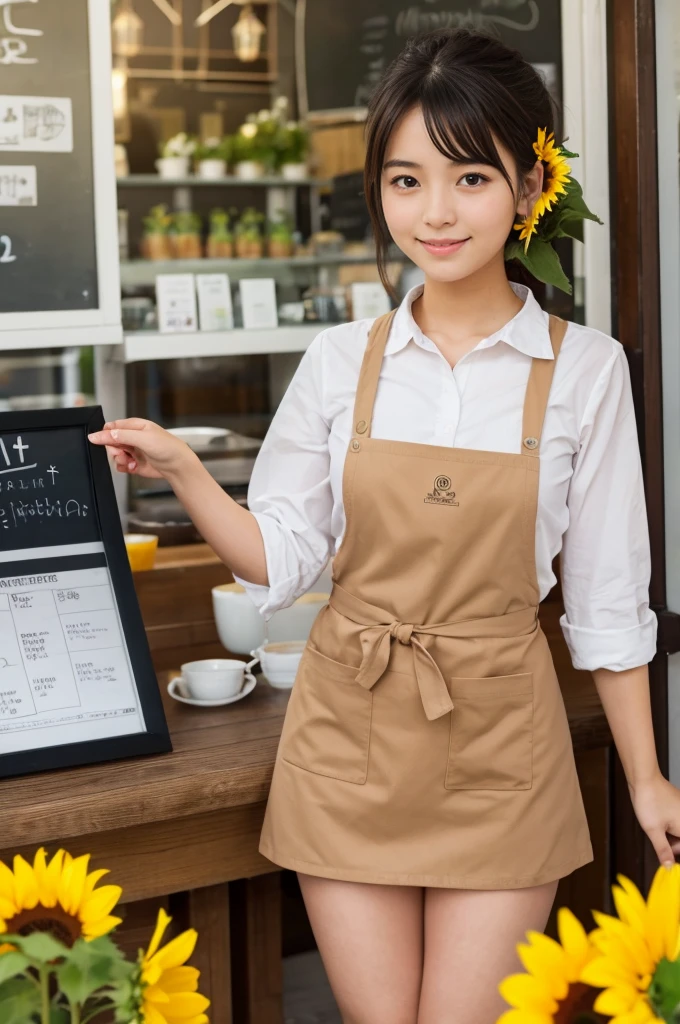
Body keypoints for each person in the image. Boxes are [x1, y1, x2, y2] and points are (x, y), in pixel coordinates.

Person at [89, 27, 680, 1024]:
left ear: (529, 187)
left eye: (468, 178)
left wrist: (645, 777)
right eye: (405, 181)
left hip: (499, 738)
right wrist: (189, 473)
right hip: (346, 733)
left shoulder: (584, 369)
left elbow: (609, 605)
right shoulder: (338, 363)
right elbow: (279, 560)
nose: (435, 212)